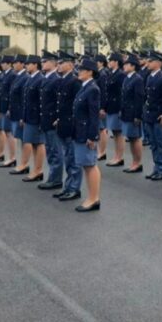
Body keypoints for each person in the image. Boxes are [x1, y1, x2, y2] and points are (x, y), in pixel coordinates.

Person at [73, 58, 102, 212]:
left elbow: (94, 115)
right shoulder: (84, 87)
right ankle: (92, 197)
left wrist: (92, 136)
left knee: (90, 165)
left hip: (86, 133)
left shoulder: (92, 89)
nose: (79, 71)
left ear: (90, 72)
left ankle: (94, 198)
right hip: (80, 131)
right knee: (86, 165)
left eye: (82, 69)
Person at [53, 51, 82, 201]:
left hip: (71, 126)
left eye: (61, 63)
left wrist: (71, 122)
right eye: (58, 63)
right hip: (63, 124)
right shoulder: (62, 80)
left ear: (70, 64)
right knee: (68, 158)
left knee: (73, 158)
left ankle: (74, 188)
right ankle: (68, 186)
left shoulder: (75, 82)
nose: (58, 65)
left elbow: (77, 107)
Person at [37, 50, 65, 191]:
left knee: (55, 151)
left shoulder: (56, 79)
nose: (42, 63)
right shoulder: (47, 78)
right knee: (49, 150)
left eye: (44, 61)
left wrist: (57, 118)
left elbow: (59, 102)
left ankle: (56, 179)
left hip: (52, 120)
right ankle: (53, 177)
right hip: (46, 120)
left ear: (53, 63)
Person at [142, 51, 162, 181]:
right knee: (153, 143)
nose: (147, 64)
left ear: (158, 63)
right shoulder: (149, 77)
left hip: (159, 115)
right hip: (149, 114)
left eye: (150, 61)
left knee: (160, 143)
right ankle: (156, 168)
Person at [20, 54, 46, 182]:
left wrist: (41, 118)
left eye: (29, 63)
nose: (26, 65)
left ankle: (38, 170)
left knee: (39, 143)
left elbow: (41, 101)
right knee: (34, 143)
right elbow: (27, 100)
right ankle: (36, 169)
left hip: (36, 116)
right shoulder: (31, 78)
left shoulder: (40, 79)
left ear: (35, 64)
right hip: (30, 115)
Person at [120, 54, 145, 173]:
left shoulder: (137, 79)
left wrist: (137, 115)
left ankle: (137, 163)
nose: (124, 66)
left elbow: (139, 99)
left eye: (126, 64)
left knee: (135, 138)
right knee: (131, 138)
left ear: (133, 66)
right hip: (126, 112)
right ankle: (134, 162)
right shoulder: (127, 78)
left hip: (133, 113)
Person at [104, 53, 126, 167]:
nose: (109, 62)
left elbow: (122, 93)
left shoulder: (120, 75)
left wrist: (122, 108)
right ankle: (116, 156)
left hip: (117, 107)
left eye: (111, 60)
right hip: (111, 107)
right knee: (115, 133)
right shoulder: (111, 74)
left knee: (119, 133)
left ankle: (119, 157)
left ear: (116, 62)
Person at [7, 55, 28, 172]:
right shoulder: (17, 76)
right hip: (15, 111)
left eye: (16, 63)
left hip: (20, 113)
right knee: (20, 138)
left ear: (22, 64)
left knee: (24, 140)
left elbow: (23, 98)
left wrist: (22, 116)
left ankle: (24, 164)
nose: (14, 65)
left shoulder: (24, 77)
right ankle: (22, 162)